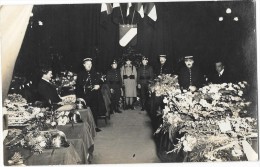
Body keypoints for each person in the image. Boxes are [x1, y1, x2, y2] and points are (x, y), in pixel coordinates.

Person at [75, 58, 104, 132]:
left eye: (90, 64)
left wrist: (98, 85)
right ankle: (87, 128)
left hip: (94, 94)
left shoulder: (94, 73)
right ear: (84, 65)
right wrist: (80, 97)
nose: (89, 66)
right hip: (85, 95)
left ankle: (95, 126)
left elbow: (100, 81)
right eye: (87, 64)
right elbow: (78, 87)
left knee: (95, 110)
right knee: (86, 111)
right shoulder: (80, 74)